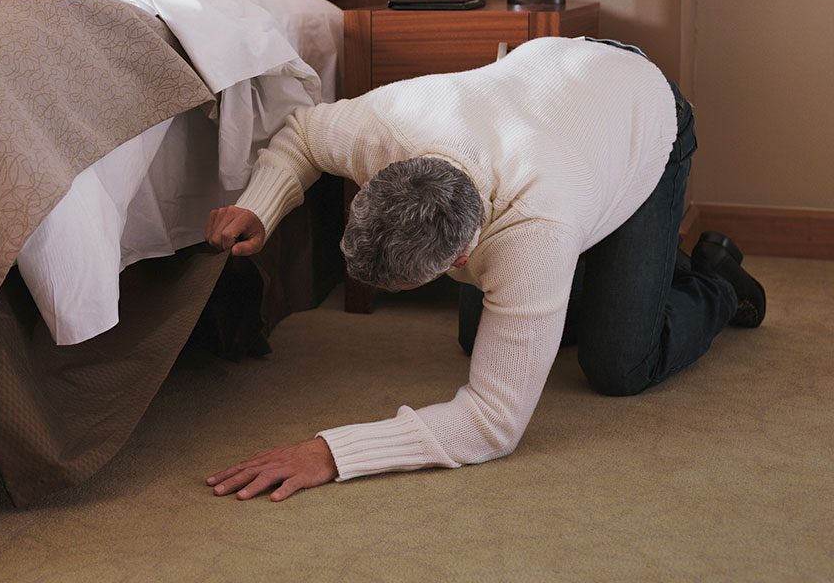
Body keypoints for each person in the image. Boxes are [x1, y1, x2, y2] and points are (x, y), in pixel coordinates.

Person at [202, 36, 766, 503]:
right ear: (379, 178)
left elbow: (493, 423)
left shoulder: (535, 231)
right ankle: (637, 264)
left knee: (618, 366)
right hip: (556, 92)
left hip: (643, 111)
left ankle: (715, 279)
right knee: (482, 339)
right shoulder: (386, 125)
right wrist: (261, 202)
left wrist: (331, 452)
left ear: (462, 257)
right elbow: (302, 131)